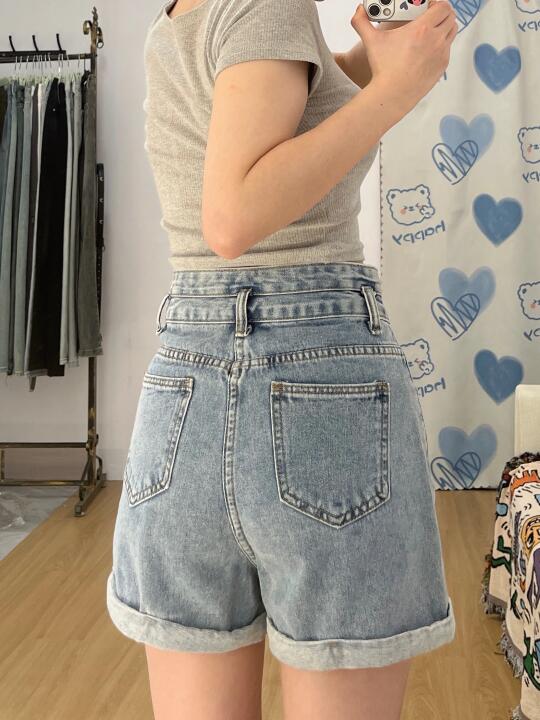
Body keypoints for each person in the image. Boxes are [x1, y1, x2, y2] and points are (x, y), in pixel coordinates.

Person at [106, 1, 459, 718]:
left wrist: (362, 67)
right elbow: (233, 217)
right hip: (321, 376)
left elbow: (270, 117)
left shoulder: (191, 13)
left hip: (186, 385)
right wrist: (397, 91)